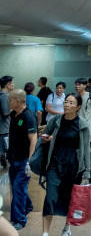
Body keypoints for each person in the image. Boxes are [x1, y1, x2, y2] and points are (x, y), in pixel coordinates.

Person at [40, 93, 91, 236]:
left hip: (73, 166)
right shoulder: (56, 120)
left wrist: (86, 172)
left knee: (69, 199)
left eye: (71, 103)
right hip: (55, 164)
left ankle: (67, 228)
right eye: (66, 102)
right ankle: (45, 233)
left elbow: (86, 149)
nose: (67, 105)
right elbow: (44, 136)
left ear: (78, 107)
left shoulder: (82, 125)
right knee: (50, 197)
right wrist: (46, 139)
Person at [7, 90, 36, 230]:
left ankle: (19, 219)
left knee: (18, 187)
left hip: (24, 159)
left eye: (10, 100)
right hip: (14, 158)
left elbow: (33, 139)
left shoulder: (28, 116)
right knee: (17, 187)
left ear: (17, 101)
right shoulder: (14, 115)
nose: (8, 102)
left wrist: (30, 161)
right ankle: (28, 205)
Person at [0, 76, 14, 168]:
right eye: (12, 83)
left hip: (2, 129)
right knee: (7, 153)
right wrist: (14, 109)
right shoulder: (4, 96)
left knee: (2, 152)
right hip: (4, 129)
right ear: (8, 85)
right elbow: (6, 112)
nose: (13, 85)